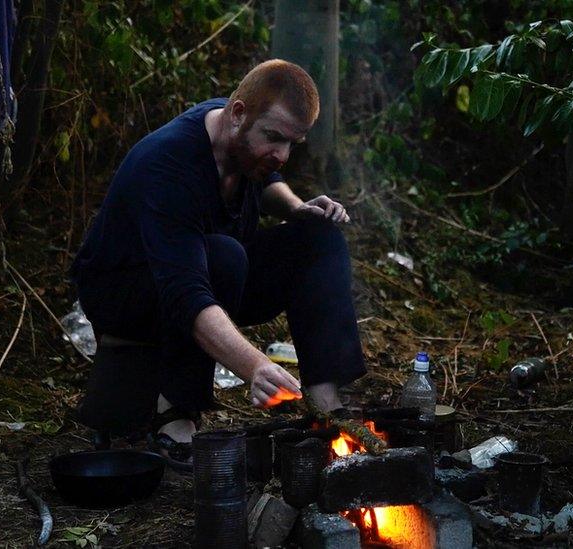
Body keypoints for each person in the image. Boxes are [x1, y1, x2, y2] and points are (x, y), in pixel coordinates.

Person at [70, 59, 366, 469]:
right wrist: (255, 367)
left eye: (292, 144)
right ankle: (175, 413)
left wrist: (298, 209)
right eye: (274, 138)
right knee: (225, 255)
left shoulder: (242, 134)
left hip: (212, 274)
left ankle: (325, 404)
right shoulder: (170, 163)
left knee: (318, 238)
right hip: (125, 291)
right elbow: (185, 290)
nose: (281, 155)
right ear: (238, 114)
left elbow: (265, 177)